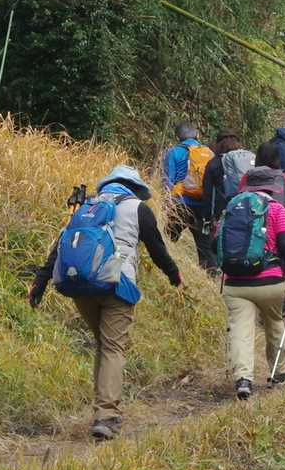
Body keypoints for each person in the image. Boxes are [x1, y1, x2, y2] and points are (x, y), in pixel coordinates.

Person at [27, 165, 183, 441]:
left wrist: (40, 282)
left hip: (80, 285)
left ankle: (101, 409)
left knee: (104, 344)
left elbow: (60, 247)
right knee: (113, 347)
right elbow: (157, 249)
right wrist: (174, 275)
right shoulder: (138, 208)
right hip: (117, 285)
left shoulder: (86, 207)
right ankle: (106, 416)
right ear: (134, 188)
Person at [217, 168, 285, 399]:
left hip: (235, 283)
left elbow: (216, 242)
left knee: (240, 329)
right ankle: (279, 373)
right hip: (270, 280)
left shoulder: (231, 207)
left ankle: (243, 379)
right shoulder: (276, 208)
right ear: (271, 188)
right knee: (274, 322)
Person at [161, 122, 216, 270]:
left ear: (177, 137)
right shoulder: (209, 153)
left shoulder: (173, 152)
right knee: (205, 245)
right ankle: (210, 275)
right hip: (203, 206)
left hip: (181, 204)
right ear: (197, 135)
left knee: (167, 239)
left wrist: (166, 204)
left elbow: (168, 181)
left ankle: (163, 268)